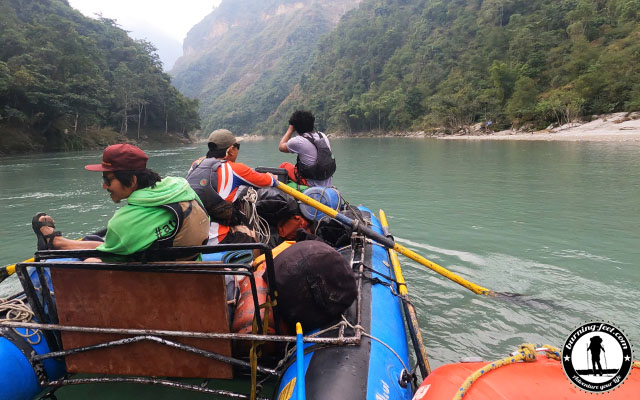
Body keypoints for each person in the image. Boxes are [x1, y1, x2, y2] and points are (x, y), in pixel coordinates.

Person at [32, 144, 209, 259]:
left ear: (132, 181)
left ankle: (56, 243)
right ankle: (58, 242)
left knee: (92, 259)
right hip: (190, 267)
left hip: (157, 283)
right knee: (102, 241)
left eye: (108, 180)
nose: (104, 186)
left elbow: (107, 253)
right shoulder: (185, 191)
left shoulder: (123, 222)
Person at [187, 129, 278, 244]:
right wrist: (272, 177)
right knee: (252, 235)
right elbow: (270, 181)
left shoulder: (196, 164)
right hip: (217, 239)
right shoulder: (235, 169)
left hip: (191, 235)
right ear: (230, 150)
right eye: (237, 146)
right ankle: (254, 260)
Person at [278, 110, 336, 187]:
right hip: (327, 182)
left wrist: (290, 129)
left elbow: (281, 147)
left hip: (311, 183)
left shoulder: (298, 141)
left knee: (284, 165)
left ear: (295, 127)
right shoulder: (322, 136)